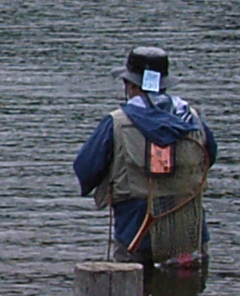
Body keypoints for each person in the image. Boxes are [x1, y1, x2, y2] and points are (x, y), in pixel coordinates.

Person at [74, 47, 216, 270]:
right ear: (165, 84)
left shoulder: (117, 122)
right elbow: (209, 156)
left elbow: (85, 168)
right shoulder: (192, 118)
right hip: (189, 231)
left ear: (131, 85)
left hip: (135, 230)